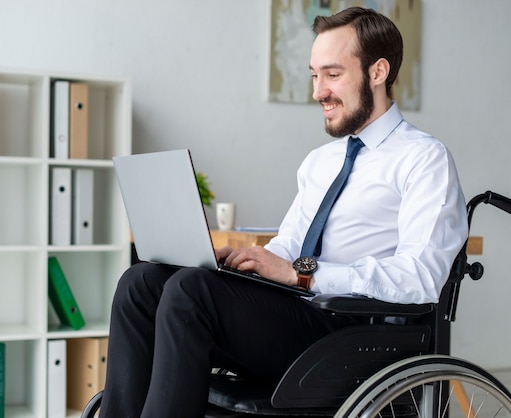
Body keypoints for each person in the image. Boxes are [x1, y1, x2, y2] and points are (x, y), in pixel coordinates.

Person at [100, 7, 468, 417]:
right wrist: (249, 265)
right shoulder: (320, 162)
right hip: (298, 316)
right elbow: (291, 246)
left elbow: (420, 278)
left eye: (332, 74)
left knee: (191, 293)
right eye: (314, 75)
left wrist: (305, 274)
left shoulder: (424, 159)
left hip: (353, 331)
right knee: (142, 281)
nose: (318, 92)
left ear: (378, 72)